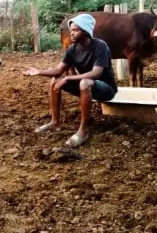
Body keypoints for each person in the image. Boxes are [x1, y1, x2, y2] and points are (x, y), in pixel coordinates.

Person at [23, 13, 117, 147]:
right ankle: (55, 122)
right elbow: (58, 70)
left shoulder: (100, 46)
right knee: (55, 80)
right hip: (87, 88)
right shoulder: (72, 49)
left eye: (75, 30)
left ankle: (83, 131)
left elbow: (96, 73)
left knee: (85, 82)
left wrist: (68, 78)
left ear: (85, 31)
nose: (71, 33)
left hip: (106, 89)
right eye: (71, 30)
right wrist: (39, 71)